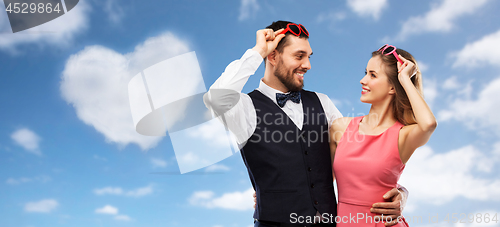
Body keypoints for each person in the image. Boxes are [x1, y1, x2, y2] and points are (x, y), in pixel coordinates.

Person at [204, 21, 407, 227]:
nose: (307, 65)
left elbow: (364, 157)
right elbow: (215, 98)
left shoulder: (323, 102)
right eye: (299, 56)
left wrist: (400, 192)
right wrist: (258, 51)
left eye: (308, 57)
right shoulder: (245, 108)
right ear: (273, 56)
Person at [330, 45, 437, 226]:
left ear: (392, 88)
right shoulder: (340, 127)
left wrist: (404, 79)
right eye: (366, 72)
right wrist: (402, 192)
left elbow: (428, 124)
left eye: (373, 75)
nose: (362, 80)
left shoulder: (403, 136)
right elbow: (320, 183)